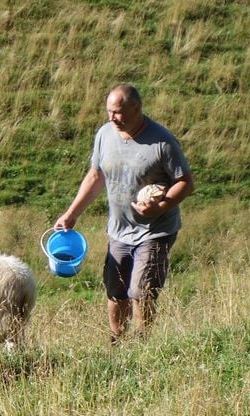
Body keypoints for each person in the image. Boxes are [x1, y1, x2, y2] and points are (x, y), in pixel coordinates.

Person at [54, 83, 194, 343]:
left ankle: (142, 344)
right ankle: (117, 343)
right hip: (119, 230)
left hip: (155, 230)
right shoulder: (105, 134)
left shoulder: (162, 141)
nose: (112, 118)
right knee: (116, 290)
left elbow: (185, 181)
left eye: (118, 112)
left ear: (136, 108)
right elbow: (96, 175)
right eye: (109, 111)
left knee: (141, 291)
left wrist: (161, 206)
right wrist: (72, 213)